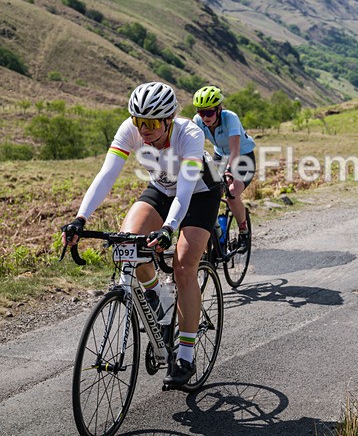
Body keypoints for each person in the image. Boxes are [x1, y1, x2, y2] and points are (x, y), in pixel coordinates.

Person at [61, 81, 222, 387]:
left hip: (199, 194)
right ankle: (159, 299)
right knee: (127, 242)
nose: (143, 130)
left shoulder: (190, 135)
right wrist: (80, 218)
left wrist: (168, 228)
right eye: (138, 121)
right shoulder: (131, 128)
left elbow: (185, 191)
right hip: (162, 189)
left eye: (150, 123)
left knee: (184, 267)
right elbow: (106, 174)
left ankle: (185, 356)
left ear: (168, 119)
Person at [192, 86, 256, 248]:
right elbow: (194, 148)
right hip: (220, 156)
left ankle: (243, 231)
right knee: (209, 193)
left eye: (209, 113)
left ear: (219, 109)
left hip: (242, 156)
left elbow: (234, 150)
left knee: (232, 193)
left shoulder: (230, 118)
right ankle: (216, 233)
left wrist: (228, 171)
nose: (205, 117)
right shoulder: (198, 121)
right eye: (201, 112)